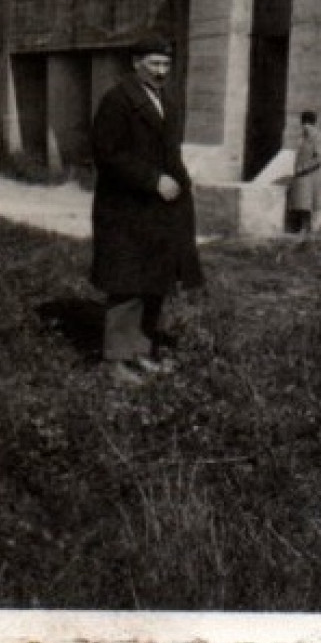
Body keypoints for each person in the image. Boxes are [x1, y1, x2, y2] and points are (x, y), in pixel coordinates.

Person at [90, 33, 204, 384]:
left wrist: (182, 183)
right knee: (127, 283)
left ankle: (140, 352)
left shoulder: (165, 100)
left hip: (158, 210)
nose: (161, 71)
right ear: (135, 63)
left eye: (166, 64)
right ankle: (116, 362)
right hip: (126, 209)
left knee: (154, 280)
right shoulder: (118, 100)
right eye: (154, 63)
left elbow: (171, 153)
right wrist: (152, 180)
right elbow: (107, 154)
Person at [285, 110, 321, 234]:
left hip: (309, 175)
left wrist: (303, 167)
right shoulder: (303, 136)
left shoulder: (316, 136)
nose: (304, 126)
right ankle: (302, 229)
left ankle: (307, 229)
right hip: (302, 176)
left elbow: (319, 157)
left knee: (307, 204)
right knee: (301, 204)